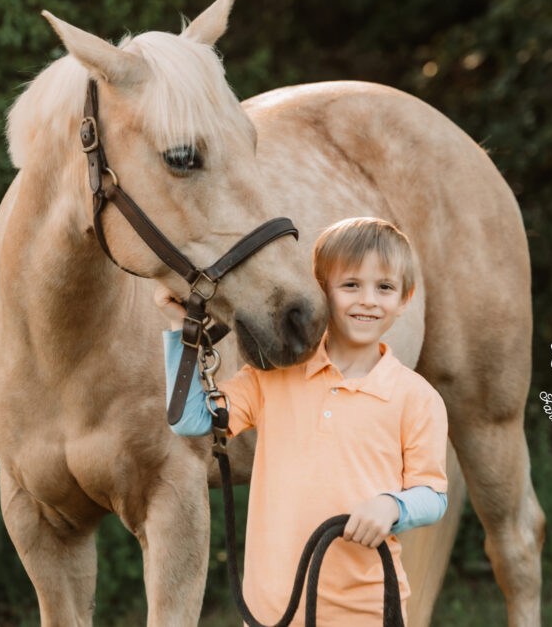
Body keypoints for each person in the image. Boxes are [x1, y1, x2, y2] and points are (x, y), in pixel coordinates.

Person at [156, 217, 448, 626]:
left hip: (366, 612)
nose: (368, 300)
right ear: (322, 291)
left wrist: (392, 505)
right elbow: (189, 419)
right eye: (351, 285)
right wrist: (182, 332)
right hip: (272, 612)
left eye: (384, 288)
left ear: (404, 299)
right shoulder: (273, 376)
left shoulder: (417, 398)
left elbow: (433, 494)